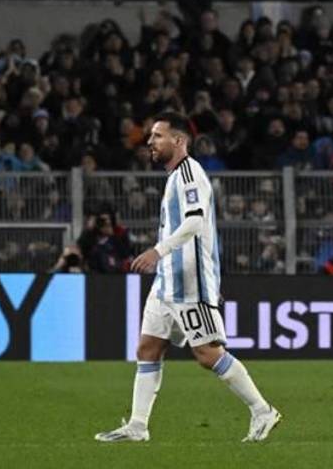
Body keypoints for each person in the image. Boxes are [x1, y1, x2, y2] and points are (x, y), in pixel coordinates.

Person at [95, 112, 281, 444]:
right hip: (166, 282)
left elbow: (195, 222)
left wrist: (158, 251)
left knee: (208, 354)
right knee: (148, 348)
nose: (150, 141)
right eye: (151, 135)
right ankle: (137, 426)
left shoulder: (190, 174)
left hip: (190, 284)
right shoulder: (174, 177)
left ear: (179, 140)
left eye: (158, 135)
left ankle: (262, 410)